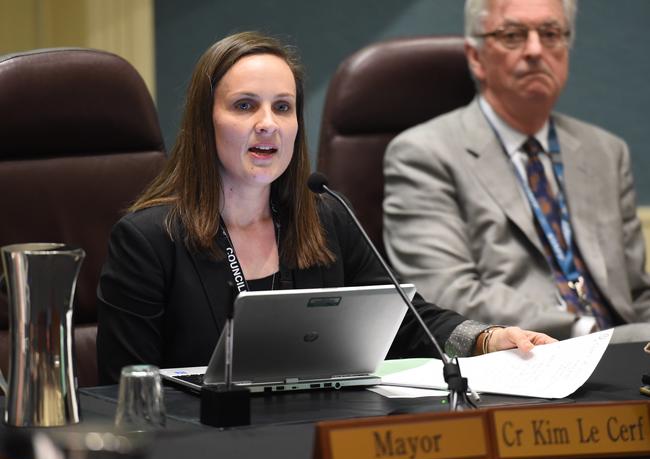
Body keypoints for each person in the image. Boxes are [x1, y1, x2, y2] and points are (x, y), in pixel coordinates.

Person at [96, 31, 554, 384]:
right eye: (244, 106)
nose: (267, 125)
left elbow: (404, 320)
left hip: (320, 436)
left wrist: (485, 339)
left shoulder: (325, 217)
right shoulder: (150, 240)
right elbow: (126, 394)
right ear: (204, 122)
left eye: (283, 107)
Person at [383, 0, 650, 341]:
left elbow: (637, 295)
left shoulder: (607, 153)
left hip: (626, 356)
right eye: (513, 35)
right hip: (524, 357)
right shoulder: (423, 154)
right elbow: (445, 294)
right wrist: (586, 331)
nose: (536, 50)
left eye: (551, 34)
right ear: (476, 57)